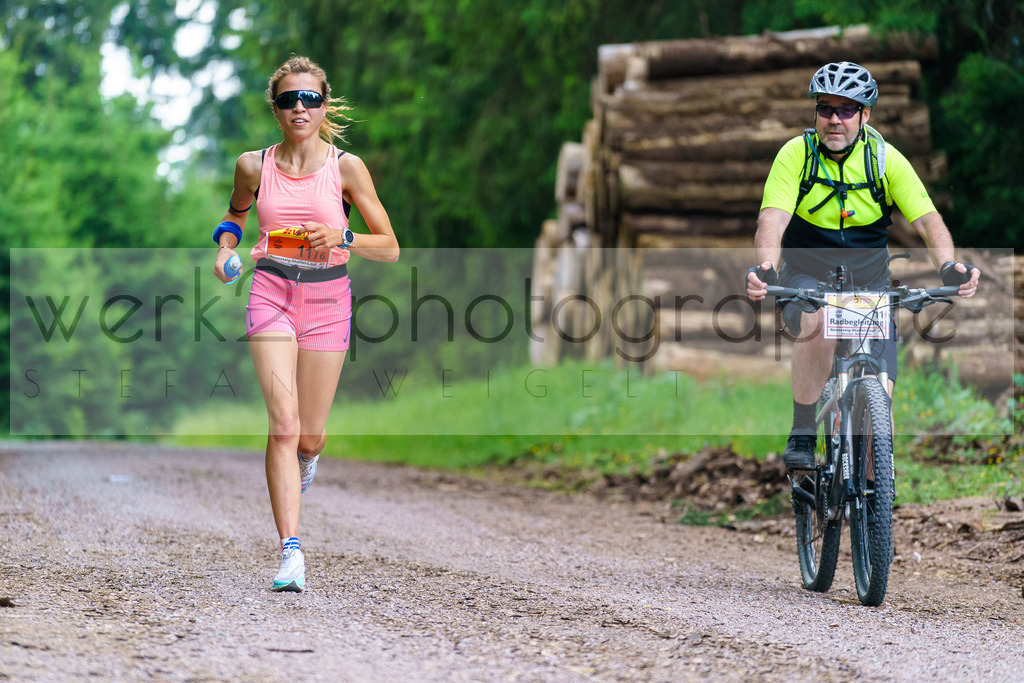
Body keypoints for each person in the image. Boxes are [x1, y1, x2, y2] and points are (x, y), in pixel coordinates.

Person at [212, 55, 400, 591]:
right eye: (289, 99)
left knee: (309, 437)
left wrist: (343, 237)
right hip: (270, 292)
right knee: (284, 424)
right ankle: (290, 552)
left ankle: (307, 459)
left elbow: (390, 247)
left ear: (324, 106)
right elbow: (235, 216)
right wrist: (224, 250)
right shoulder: (253, 166)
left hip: (327, 299)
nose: (300, 107)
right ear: (275, 109)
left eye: (310, 99)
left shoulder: (347, 168)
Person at [746, 61, 980, 471]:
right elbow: (773, 220)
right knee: (820, 323)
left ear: (864, 115)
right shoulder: (796, 155)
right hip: (806, 278)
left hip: (870, 285)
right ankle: (803, 429)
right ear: (816, 113)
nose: (834, 119)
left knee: (879, 403)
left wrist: (948, 265)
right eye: (825, 109)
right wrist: (766, 267)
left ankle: (875, 498)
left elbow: (928, 220)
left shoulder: (885, 159)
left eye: (846, 110)